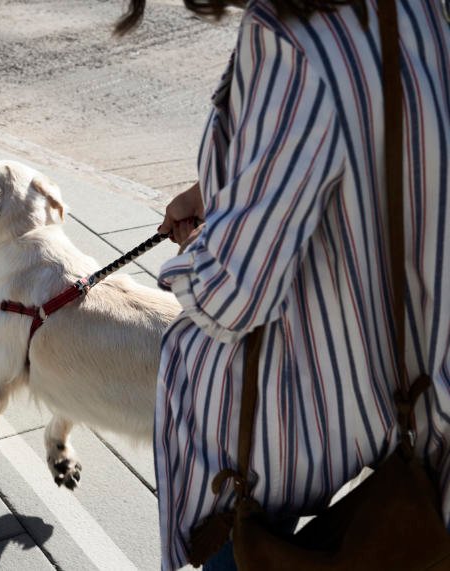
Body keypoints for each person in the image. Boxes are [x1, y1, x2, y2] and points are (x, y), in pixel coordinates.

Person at [116, 1, 450, 569]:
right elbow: (372, 139)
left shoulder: (290, 39)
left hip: (295, 418)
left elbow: (233, 296)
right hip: (414, 394)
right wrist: (223, 191)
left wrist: (194, 255)